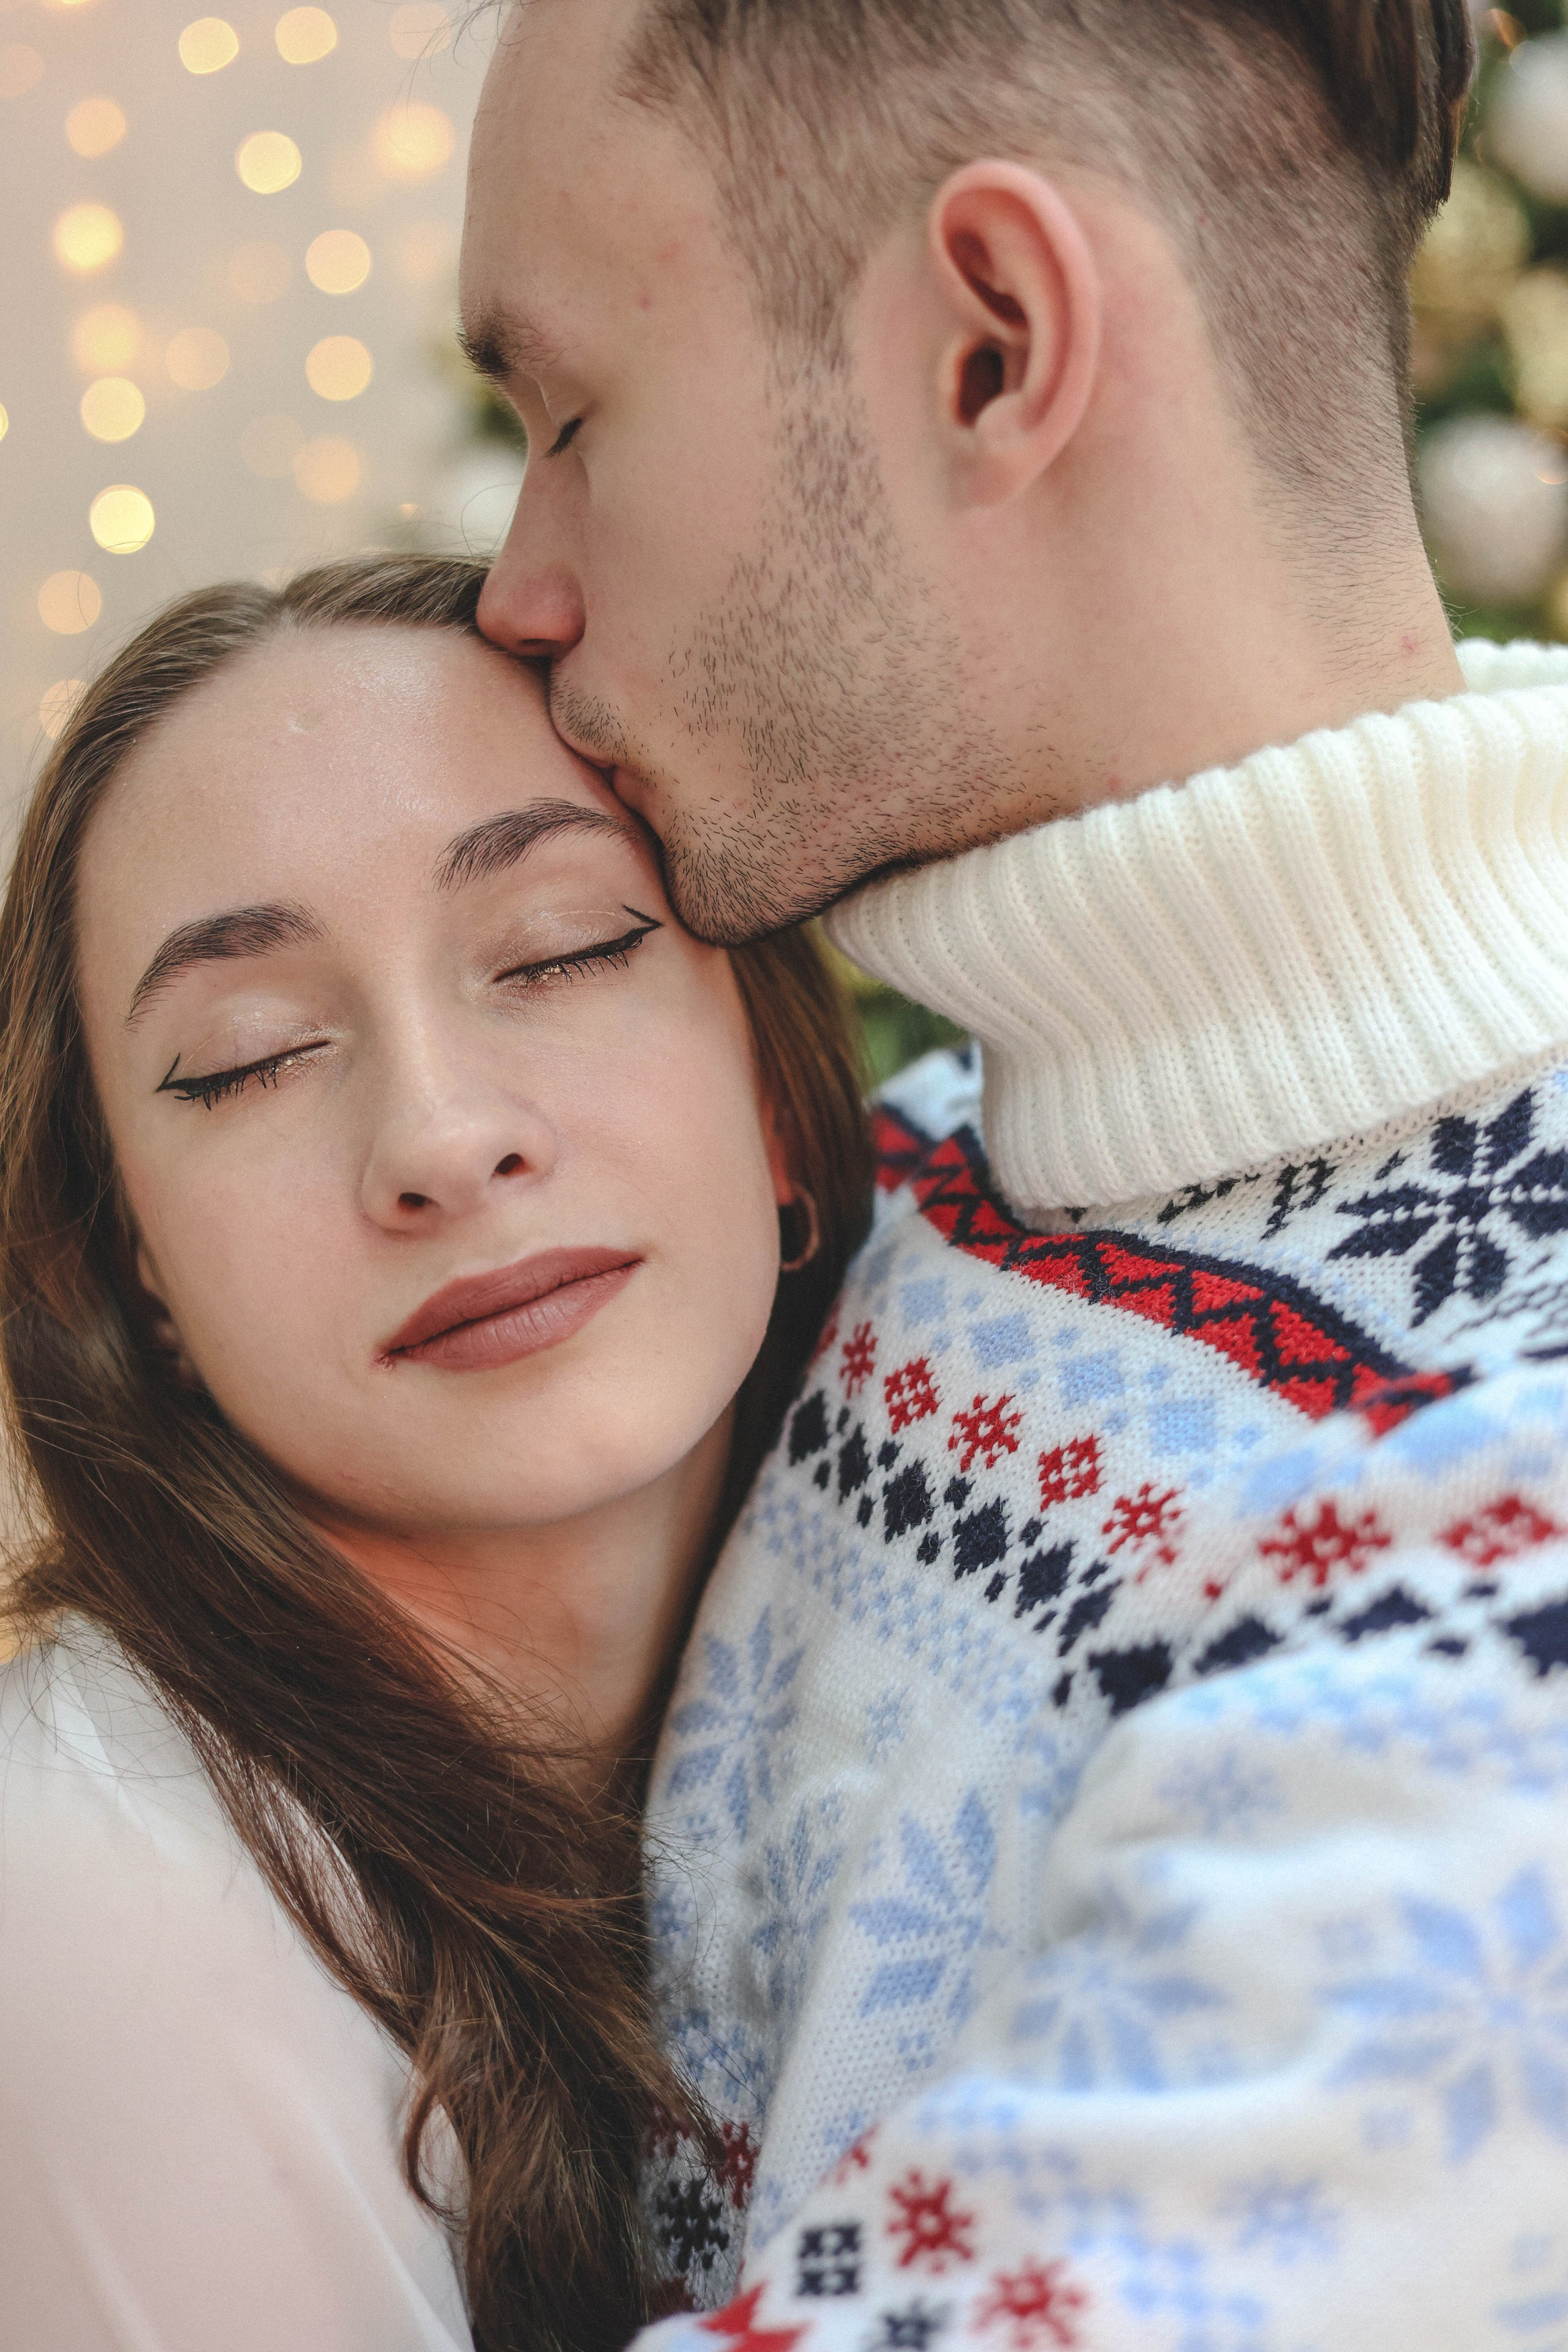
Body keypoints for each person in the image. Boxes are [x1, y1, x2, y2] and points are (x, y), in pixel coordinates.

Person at [461, 1, 1568, 2343]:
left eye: (571, 414)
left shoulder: (1512, 1518)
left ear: (992, 344)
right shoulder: (938, 1176)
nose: (518, 586)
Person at [0, 554, 871, 2352]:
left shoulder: (917, 1596)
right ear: (134, 1271)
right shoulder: (97, 1878)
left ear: (778, 1092)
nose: (444, 1138)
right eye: (249, 1059)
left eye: (559, 950)